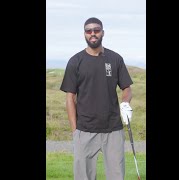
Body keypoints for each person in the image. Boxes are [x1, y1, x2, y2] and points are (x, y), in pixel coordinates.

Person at [60, 17, 133, 180]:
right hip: (84, 130)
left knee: (116, 176)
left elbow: (127, 88)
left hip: (113, 129)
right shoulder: (75, 61)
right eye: (88, 31)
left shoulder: (115, 59)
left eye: (96, 30)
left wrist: (125, 103)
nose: (93, 33)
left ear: (103, 32)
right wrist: (75, 131)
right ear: (84, 34)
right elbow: (70, 98)